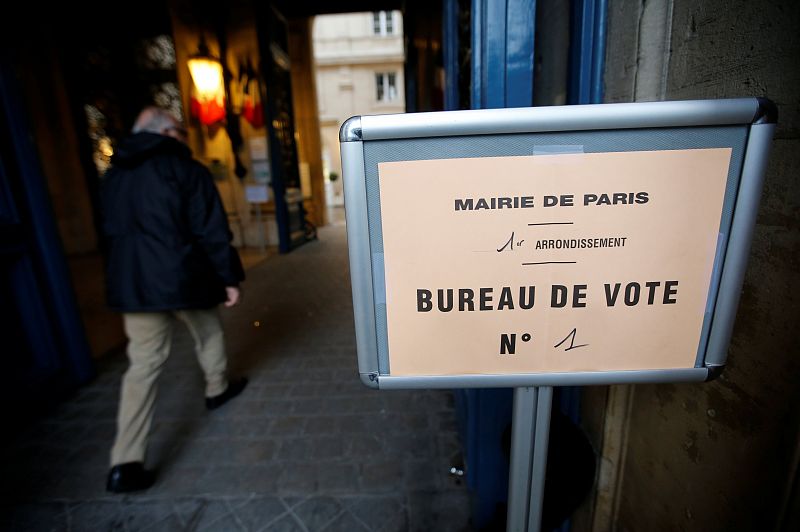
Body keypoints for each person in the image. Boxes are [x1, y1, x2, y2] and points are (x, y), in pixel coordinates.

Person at [102, 106, 247, 493]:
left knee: (142, 366)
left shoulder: (114, 176)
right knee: (209, 334)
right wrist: (229, 278)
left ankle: (125, 462)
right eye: (182, 131)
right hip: (185, 278)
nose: (186, 137)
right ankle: (216, 390)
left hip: (135, 285)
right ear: (167, 132)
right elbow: (211, 230)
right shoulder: (187, 171)